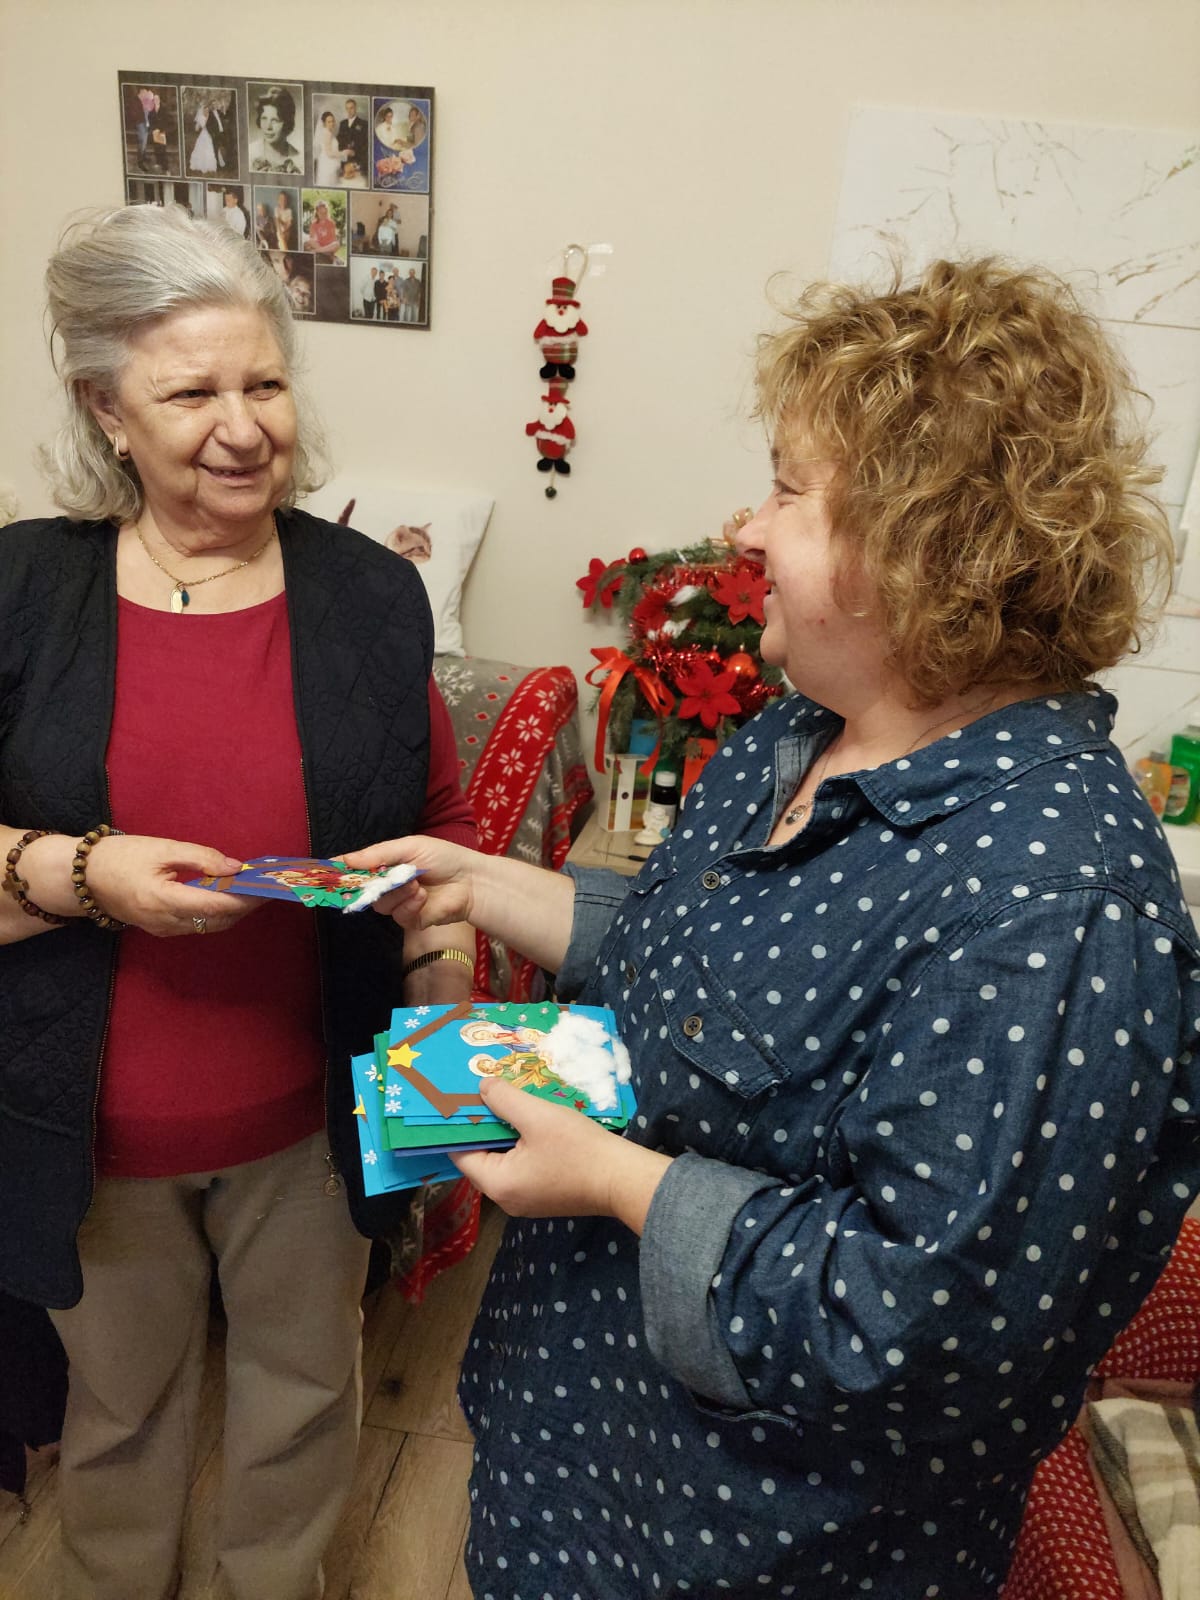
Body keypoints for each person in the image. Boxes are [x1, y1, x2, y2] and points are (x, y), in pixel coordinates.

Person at [347, 257, 1200, 1598]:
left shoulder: (1058, 906)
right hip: (574, 1448)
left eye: (792, 490)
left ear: (922, 545)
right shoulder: (801, 729)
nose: (747, 527)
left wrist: (613, 1181)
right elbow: (707, 965)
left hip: (750, 1545)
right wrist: (481, 884)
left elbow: (912, 1326)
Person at [0, 202, 479, 1600]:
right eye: (190, 393)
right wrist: (88, 874)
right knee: (119, 1417)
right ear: (106, 410)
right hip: (88, 1130)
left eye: (264, 383)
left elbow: (440, 835)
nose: (242, 427)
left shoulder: (371, 596)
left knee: (304, 1401)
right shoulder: (23, 590)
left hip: (310, 1123)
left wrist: (444, 1045)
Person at [248, 84, 301, 174]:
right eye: (264, 118)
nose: (268, 127)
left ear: (287, 123)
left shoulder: (298, 159)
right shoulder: (250, 152)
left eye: (275, 120)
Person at [336, 97, 368, 177]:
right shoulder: (343, 123)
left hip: (358, 159)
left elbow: (366, 143)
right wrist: (344, 151)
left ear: (355, 108)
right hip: (344, 159)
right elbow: (339, 140)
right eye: (347, 108)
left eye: (351, 108)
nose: (349, 111)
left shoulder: (364, 123)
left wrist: (355, 152)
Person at [314, 109, 342, 186]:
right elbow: (329, 153)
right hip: (328, 163)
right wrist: (343, 153)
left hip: (325, 161)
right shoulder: (327, 133)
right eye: (329, 122)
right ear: (324, 123)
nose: (332, 123)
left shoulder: (326, 132)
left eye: (333, 121)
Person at [189, 102, 217, 175]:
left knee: (209, 149)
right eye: (205, 110)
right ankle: (200, 165)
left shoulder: (210, 117)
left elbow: (212, 125)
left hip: (209, 134)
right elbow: (198, 128)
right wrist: (203, 121)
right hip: (203, 134)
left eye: (207, 110)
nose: (206, 112)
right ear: (203, 111)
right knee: (201, 148)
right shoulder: (201, 118)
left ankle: (209, 166)